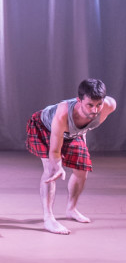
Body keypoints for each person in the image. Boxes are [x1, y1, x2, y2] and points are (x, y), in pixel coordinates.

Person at [26, 79, 117, 235]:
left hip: (72, 133)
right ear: (79, 101)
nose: (95, 110)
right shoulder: (62, 115)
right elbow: (54, 151)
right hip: (45, 128)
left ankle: (71, 209)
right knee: (50, 171)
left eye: (98, 105)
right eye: (90, 105)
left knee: (82, 170)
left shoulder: (109, 105)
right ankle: (48, 219)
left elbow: (86, 127)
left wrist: (82, 138)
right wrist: (58, 167)